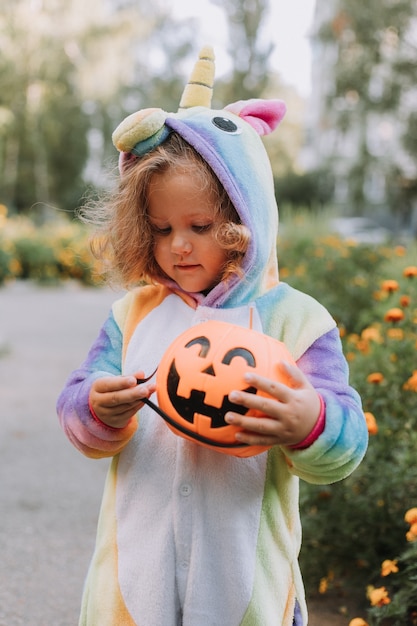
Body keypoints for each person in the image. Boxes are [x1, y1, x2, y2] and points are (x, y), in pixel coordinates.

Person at [57, 47, 368, 626]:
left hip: (244, 585)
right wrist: (96, 406)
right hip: (134, 578)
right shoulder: (133, 315)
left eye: (200, 227)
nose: (179, 244)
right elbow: (79, 411)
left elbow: (347, 445)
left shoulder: (298, 322)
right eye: (161, 228)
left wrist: (311, 421)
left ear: (245, 219)